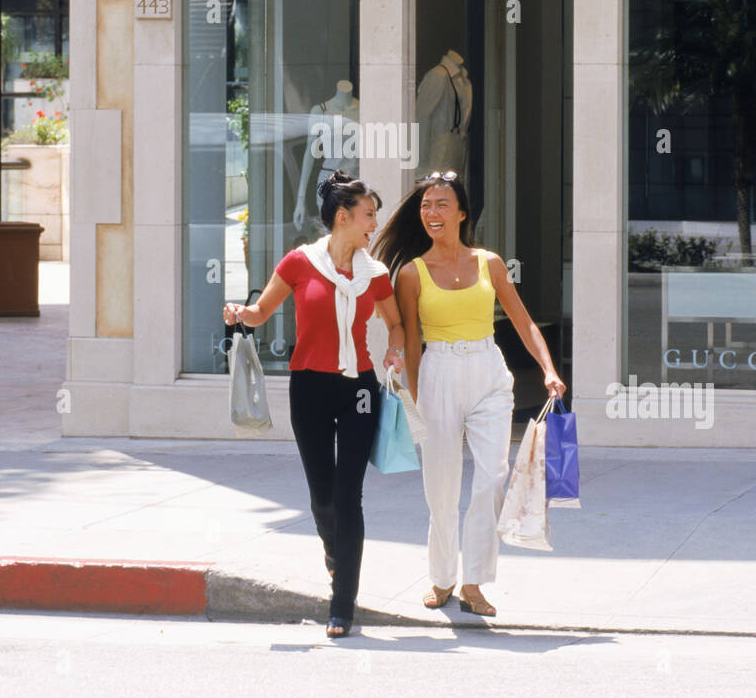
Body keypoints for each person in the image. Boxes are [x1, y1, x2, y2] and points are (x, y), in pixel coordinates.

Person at [374, 170, 566, 618]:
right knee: (440, 487)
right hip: (438, 372)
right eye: (425, 205)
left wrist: (549, 370)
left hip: (487, 372)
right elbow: (413, 341)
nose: (431, 212)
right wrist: (419, 399)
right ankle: (442, 578)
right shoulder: (411, 273)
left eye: (441, 204)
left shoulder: (489, 263)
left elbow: (523, 322)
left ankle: (475, 581)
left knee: (491, 477)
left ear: (461, 213)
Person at [223, 170, 404, 638]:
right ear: (343, 218)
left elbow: (395, 323)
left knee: (350, 497)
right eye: (369, 215)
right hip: (309, 388)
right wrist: (241, 315)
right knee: (322, 498)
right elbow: (261, 312)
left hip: (360, 389)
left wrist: (393, 349)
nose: (375, 224)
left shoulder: (375, 273)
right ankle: (334, 553)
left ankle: (342, 602)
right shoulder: (300, 263)